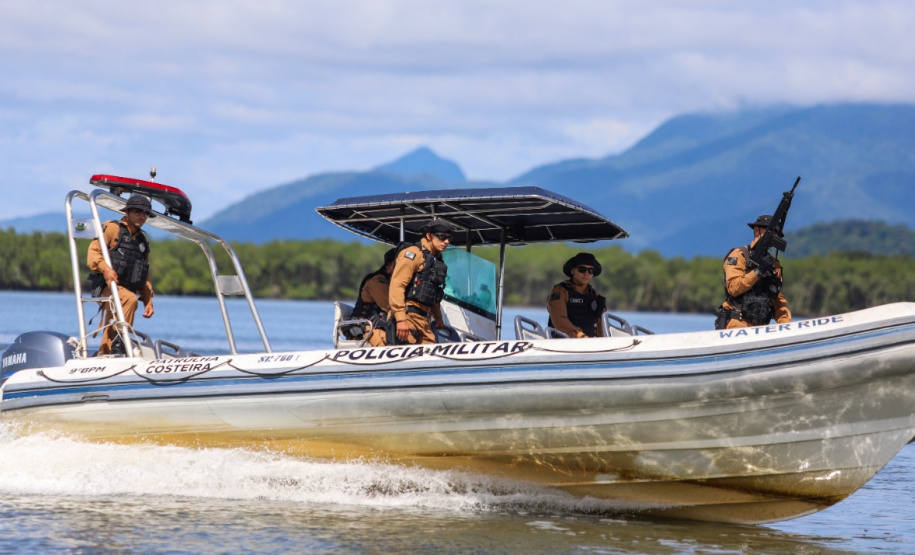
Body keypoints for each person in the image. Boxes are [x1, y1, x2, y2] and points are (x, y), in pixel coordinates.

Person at [87, 195, 156, 354]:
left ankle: (105, 354)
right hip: (107, 287)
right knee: (129, 299)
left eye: (146, 214)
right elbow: (93, 253)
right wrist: (105, 269)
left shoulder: (143, 243)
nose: (142, 216)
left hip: (126, 289)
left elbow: (144, 274)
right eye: (138, 211)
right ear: (128, 212)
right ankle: (120, 345)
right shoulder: (112, 229)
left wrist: (148, 299)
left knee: (125, 302)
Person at [716, 215, 791, 329]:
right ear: (757, 230)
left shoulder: (774, 264)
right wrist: (758, 271)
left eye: (776, 233)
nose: (774, 236)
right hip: (737, 324)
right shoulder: (739, 256)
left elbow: (777, 299)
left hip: (761, 328)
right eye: (770, 232)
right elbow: (733, 287)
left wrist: (785, 324)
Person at [388, 218, 453, 344]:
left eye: (449, 238)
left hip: (424, 319)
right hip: (408, 316)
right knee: (407, 357)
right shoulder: (413, 254)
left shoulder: (436, 260)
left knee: (431, 358)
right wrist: (401, 319)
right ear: (428, 235)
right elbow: (397, 285)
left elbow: (432, 292)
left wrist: (438, 318)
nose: (446, 242)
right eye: (442, 237)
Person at [547, 253, 607, 338]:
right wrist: (579, 335)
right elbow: (559, 319)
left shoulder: (596, 298)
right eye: (582, 269)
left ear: (593, 275)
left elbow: (601, 327)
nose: (586, 273)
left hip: (591, 344)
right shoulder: (561, 291)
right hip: (563, 344)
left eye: (591, 271)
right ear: (573, 271)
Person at [350, 247, 396, 347]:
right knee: (387, 345)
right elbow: (391, 307)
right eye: (397, 264)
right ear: (388, 267)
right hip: (366, 328)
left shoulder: (393, 282)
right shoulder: (377, 282)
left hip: (381, 327)